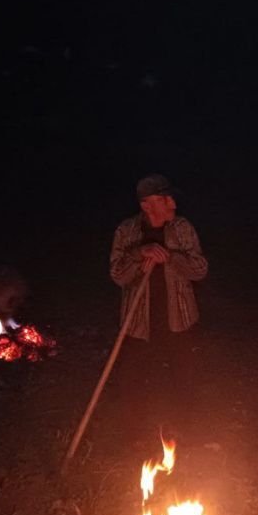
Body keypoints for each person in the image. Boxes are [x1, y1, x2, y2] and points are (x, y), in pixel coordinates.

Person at [110, 174, 208, 434]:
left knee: (183, 380)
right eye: (166, 199)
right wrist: (139, 253)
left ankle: (181, 435)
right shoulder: (127, 231)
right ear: (146, 205)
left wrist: (171, 257)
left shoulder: (182, 228)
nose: (173, 204)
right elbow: (118, 276)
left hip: (180, 320)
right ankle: (134, 435)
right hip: (138, 323)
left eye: (171, 197)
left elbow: (200, 270)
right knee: (131, 380)